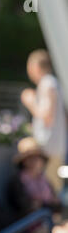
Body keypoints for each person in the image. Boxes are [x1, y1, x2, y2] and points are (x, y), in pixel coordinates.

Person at [6, 136, 62, 233]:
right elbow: (26, 207)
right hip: (30, 230)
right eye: (31, 157)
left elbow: (58, 206)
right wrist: (45, 205)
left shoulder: (45, 181)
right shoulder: (17, 181)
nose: (36, 161)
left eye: (38, 157)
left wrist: (42, 204)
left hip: (49, 224)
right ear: (24, 161)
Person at [20, 49, 67, 195]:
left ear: (35, 66)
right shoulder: (52, 83)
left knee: (51, 191)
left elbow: (47, 115)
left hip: (49, 148)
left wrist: (30, 101)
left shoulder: (47, 83)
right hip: (54, 146)